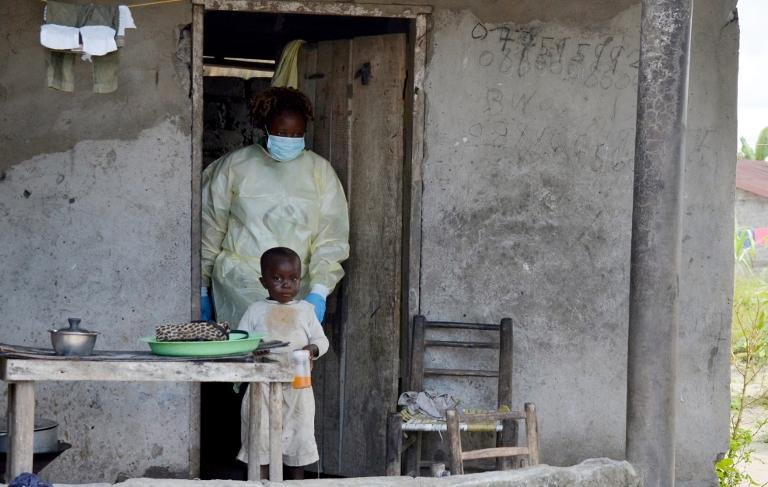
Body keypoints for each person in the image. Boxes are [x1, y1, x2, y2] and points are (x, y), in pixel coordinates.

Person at [200, 86, 349, 326]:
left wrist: (319, 291)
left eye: (296, 135)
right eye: (282, 134)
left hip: (297, 290)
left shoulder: (319, 172)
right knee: (248, 353)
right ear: (266, 128)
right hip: (240, 285)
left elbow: (331, 237)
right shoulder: (234, 167)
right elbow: (210, 228)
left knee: (290, 354)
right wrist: (202, 286)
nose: (289, 140)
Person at [237, 247, 328, 479]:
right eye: (277, 278)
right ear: (263, 281)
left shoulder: (306, 311)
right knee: (261, 437)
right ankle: (261, 481)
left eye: (293, 278)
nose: (286, 284)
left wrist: (312, 350)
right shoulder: (255, 310)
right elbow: (240, 341)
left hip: (298, 385)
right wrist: (254, 351)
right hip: (262, 388)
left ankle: (296, 482)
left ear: (300, 279)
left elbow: (321, 340)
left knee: (299, 434)